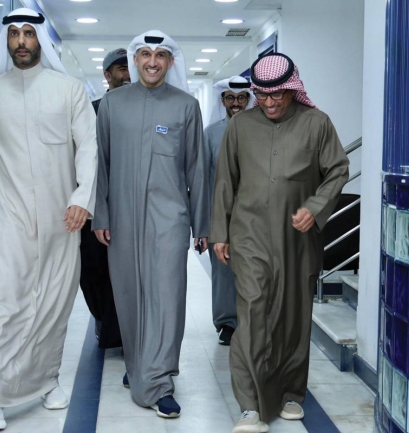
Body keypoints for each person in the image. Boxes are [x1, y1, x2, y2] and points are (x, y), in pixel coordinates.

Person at [0, 8, 97, 430]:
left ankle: (46, 381)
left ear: (40, 41)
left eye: (28, 34)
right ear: (7, 41)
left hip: (62, 218)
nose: (21, 41)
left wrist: (82, 199)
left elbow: (89, 148)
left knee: (52, 304)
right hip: (7, 215)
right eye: (14, 33)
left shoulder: (69, 90)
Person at [210, 53, 349, 433]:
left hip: (297, 239)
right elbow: (225, 181)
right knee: (252, 313)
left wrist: (315, 208)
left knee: (292, 317)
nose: (269, 103)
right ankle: (250, 405)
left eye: (277, 95)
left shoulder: (317, 124)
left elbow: (338, 170)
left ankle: (290, 393)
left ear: (292, 90)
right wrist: (220, 232)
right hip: (249, 235)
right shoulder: (240, 127)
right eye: (261, 95)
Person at [92, 30, 208, 418]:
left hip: (170, 218)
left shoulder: (186, 106)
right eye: (145, 54)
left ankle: (158, 382)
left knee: (167, 297)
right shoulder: (113, 104)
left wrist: (201, 224)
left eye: (160, 55)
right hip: (122, 218)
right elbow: (101, 164)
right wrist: (101, 215)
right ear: (135, 60)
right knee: (129, 297)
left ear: (171, 62)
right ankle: (140, 365)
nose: (153, 61)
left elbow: (197, 168)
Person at [80, 48, 130, 349]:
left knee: (127, 271)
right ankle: (103, 319)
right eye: (121, 68)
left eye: (130, 67)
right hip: (94, 203)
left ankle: (122, 331)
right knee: (93, 268)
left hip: (130, 204)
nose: (127, 74)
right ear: (107, 75)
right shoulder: (90, 111)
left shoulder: (141, 109)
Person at [204, 76, 255, 346]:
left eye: (241, 98)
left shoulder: (262, 129)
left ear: (249, 100)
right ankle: (227, 323)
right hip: (220, 215)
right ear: (222, 101)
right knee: (223, 272)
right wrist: (202, 224)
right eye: (230, 98)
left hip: (254, 216)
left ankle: (251, 322)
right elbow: (202, 178)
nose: (236, 103)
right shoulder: (211, 134)